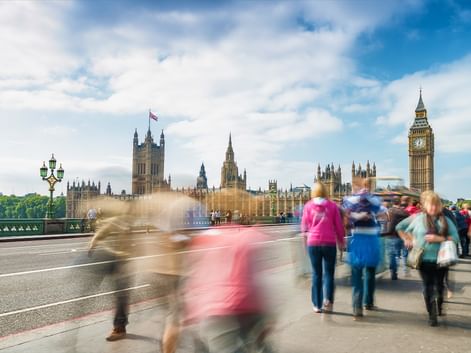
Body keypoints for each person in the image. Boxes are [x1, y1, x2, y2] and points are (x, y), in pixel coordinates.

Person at [396, 191, 459, 327]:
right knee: (427, 286)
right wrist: (407, 239)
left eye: (436, 205)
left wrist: (439, 238)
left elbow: (455, 238)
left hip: (442, 260)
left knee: (439, 286)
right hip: (424, 259)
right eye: (431, 205)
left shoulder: (446, 220)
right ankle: (432, 314)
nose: (434, 208)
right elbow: (399, 227)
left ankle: (439, 305)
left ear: (440, 206)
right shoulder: (417, 218)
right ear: (425, 205)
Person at [342, 178, 384, 320]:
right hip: (371, 239)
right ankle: (368, 302)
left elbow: (346, 215)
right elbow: (380, 211)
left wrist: (356, 215)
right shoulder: (374, 200)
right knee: (370, 274)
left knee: (357, 276)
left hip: (357, 240)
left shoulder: (350, 200)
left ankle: (357, 307)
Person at [301, 182, 345, 313]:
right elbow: (338, 226)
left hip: (313, 243)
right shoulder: (332, 206)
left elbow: (304, 226)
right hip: (329, 242)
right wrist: (341, 241)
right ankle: (328, 300)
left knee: (316, 274)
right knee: (329, 274)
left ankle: (316, 304)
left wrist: (305, 242)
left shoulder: (308, 206)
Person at [384, 198, 410, 280]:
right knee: (405, 254)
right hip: (403, 236)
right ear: (400, 203)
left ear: (392, 203)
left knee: (392, 255)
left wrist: (385, 233)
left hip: (392, 235)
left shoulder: (390, 211)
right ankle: (406, 270)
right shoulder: (406, 212)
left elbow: (387, 223)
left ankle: (394, 272)